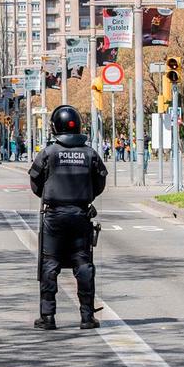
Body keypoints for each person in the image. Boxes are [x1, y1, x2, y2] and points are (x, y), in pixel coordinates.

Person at [28, 105, 108, 330]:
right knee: (83, 264)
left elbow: (35, 182)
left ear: (55, 127)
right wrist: (85, 196)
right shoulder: (90, 153)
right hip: (81, 214)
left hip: (54, 215)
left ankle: (48, 316)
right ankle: (87, 317)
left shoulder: (48, 153)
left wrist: (49, 194)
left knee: (49, 264)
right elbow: (100, 182)